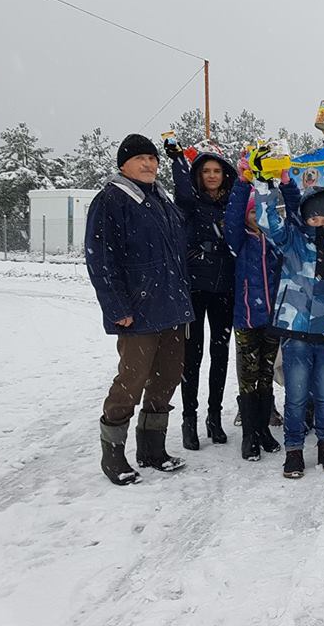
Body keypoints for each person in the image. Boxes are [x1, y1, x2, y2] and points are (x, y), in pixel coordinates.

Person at [86, 134, 191, 485]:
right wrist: (116, 306)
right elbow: (101, 259)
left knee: (167, 378)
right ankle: (113, 455)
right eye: (140, 159)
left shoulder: (160, 198)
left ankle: (152, 449)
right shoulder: (111, 199)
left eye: (152, 159)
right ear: (123, 165)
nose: (148, 164)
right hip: (138, 311)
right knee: (130, 382)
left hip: (172, 308)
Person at [257, 181, 324, 477]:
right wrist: (264, 184)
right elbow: (266, 220)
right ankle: (293, 448)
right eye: (314, 217)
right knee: (296, 395)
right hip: (295, 331)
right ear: (304, 216)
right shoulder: (291, 239)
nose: (319, 222)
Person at [223, 160, 300, 461]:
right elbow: (232, 216)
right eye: (252, 213)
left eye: (262, 212)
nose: (257, 218)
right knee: (248, 378)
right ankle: (249, 435)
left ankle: (264, 429)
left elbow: (295, 214)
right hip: (246, 320)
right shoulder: (239, 241)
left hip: (273, 320)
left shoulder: (278, 242)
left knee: (267, 375)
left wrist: (286, 183)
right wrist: (243, 183)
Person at [166, 138, 237, 451]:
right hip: (195, 288)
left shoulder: (232, 203)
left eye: (216, 171)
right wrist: (178, 160)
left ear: (224, 174)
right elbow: (182, 190)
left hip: (224, 289)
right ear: (198, 175)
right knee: (191, 357)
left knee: (220, 355)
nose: (211, 176)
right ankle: (189, 420)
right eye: (206, 171)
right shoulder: (191, 203)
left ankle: (214, 417)